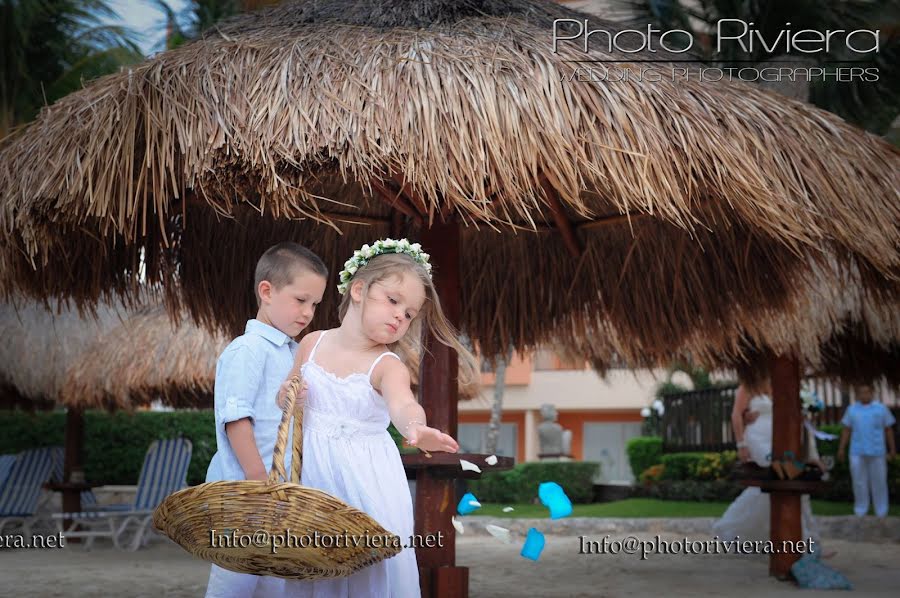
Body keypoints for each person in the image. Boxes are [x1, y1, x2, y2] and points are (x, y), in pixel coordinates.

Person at [280, 238, 478, 598]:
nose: (399, 316)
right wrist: (287, 397)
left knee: (364, 569)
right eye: (393, 300)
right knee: (312, 565)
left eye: (409, 314)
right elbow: (289, 393)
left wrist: (416, 428)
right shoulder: (312, 343)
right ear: (359, 289)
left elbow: (403, 405)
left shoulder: (387, 366)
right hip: (313, 478)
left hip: (365, 485)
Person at [205, 242, 328, 598]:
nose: (308, 312)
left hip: (279, 498)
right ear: (267, 292)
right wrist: (259, 482)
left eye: (315, 305)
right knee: (235, 581)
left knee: (275, 584)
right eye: (300, 300)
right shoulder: (248, 349)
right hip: (246, 494)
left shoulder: (293, 351)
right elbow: (235, 418)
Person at [712, 375, 820, 545]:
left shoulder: (780, 385)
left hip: (778, 440)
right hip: (757, 439)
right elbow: (736, 415)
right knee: (778, 477)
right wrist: (741, 444)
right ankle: (805, 540)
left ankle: (807, 538)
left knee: (780, 483)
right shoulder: (748, 385)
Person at [838, 382, 896, 518]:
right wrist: (841, 449)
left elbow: (888, 430)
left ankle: (881, 512)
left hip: (877, 451)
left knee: (879, 481)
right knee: (859, 482)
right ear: (857, 395)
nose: (864, 395)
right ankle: (860, 511)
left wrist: (892, 449)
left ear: (872, 393)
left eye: (867, 392)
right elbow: (847, 430)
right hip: (857, 451)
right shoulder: (852, 409)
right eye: (861, 392)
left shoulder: (881, 409)